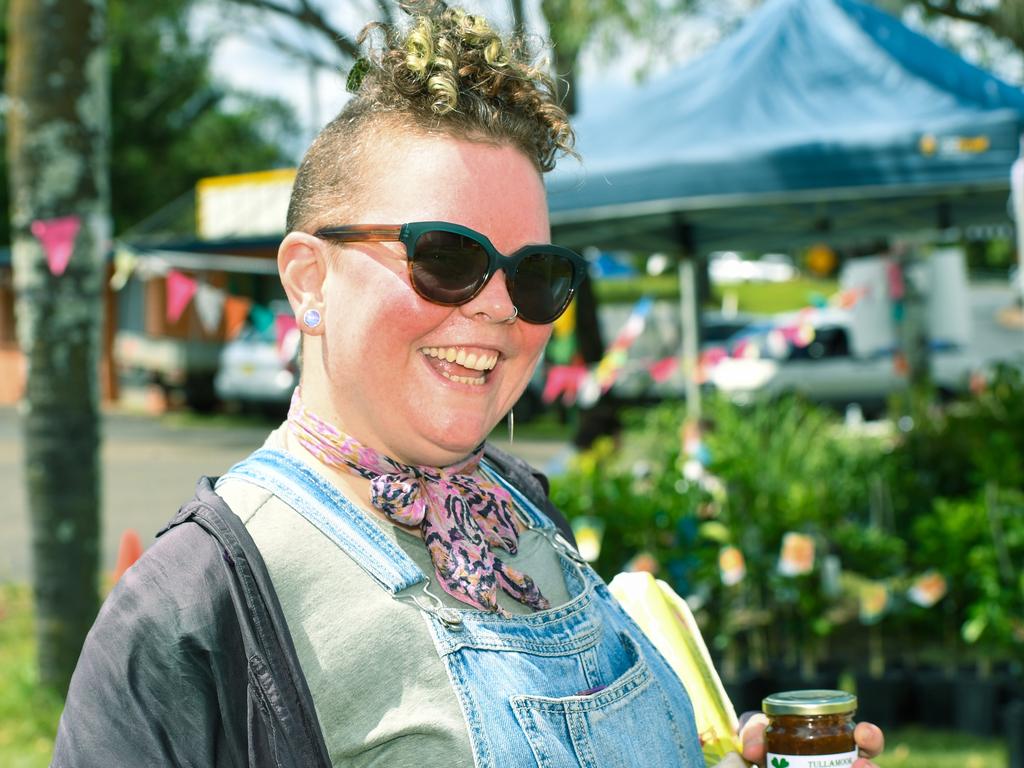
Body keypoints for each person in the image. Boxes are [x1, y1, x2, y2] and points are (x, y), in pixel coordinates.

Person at [52, 3, 885, 767]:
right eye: (446, 258)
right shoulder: (193, 605)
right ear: (309, 281)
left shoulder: (531, 517)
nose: (497, 309)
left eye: (535, 275)